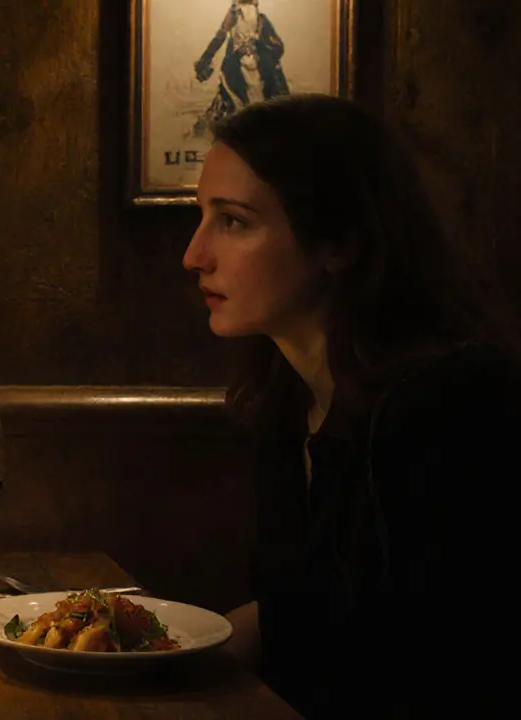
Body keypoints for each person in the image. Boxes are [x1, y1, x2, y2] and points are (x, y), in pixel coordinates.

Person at [182, 94, 520, 718]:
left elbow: (458, 659)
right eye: (202, 216)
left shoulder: (451, 403)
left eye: (233, 220)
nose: (194, 254)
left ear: (337, 242)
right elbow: (317, 606)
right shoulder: (286, 403)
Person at [192, 0, 290, 138]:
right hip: (237, 70)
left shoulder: (261, 20)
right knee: (228, 108)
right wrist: (205, 60)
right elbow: (220, 36)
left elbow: (277, 46)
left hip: (261, 70)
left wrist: (262, 50)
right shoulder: (233, 13)